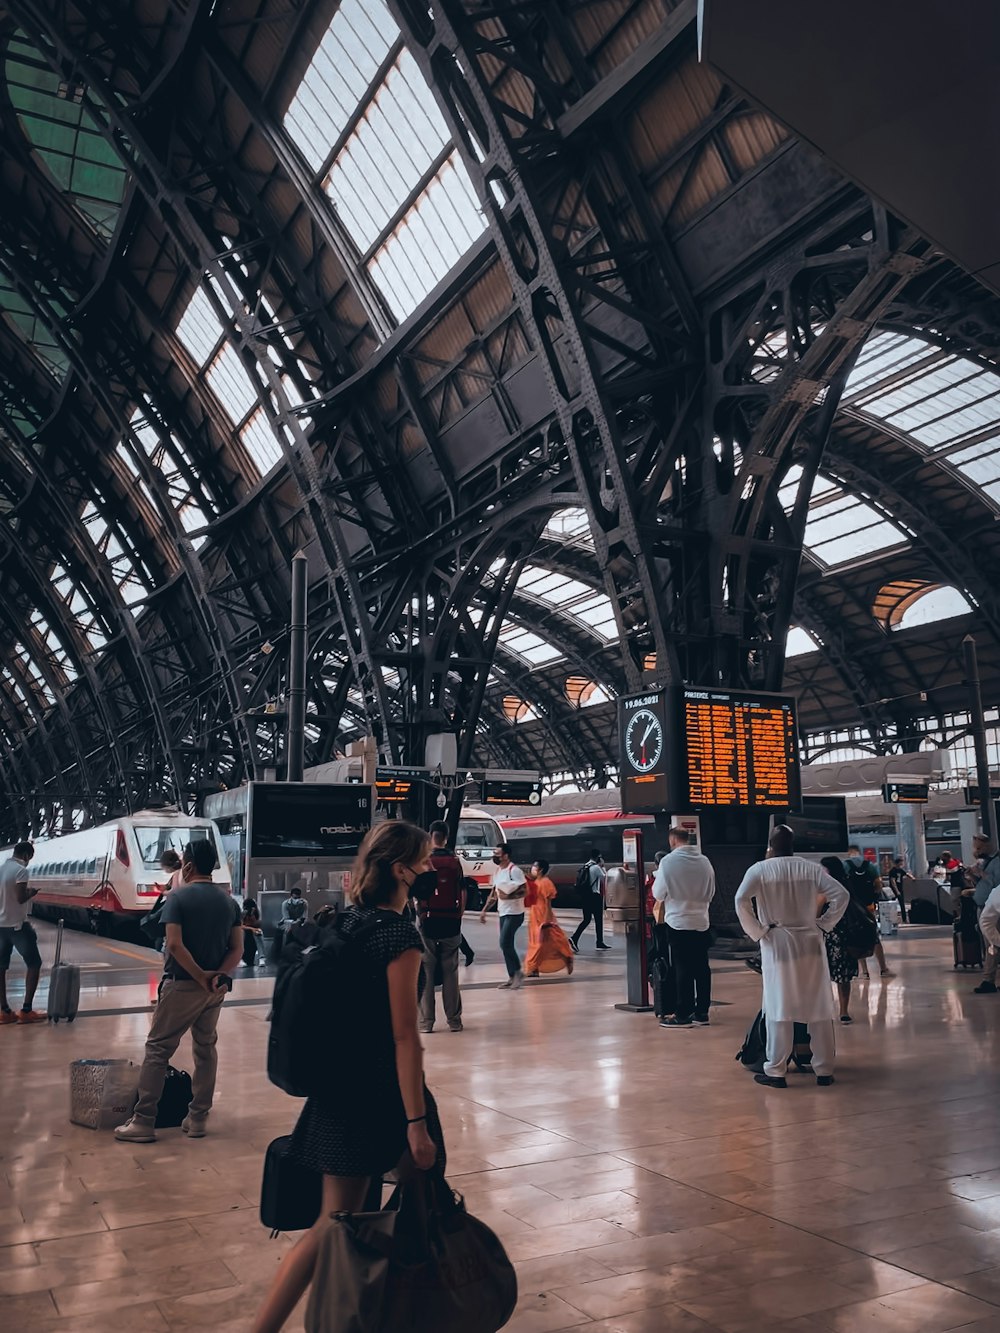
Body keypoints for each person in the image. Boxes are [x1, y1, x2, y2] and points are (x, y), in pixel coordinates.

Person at [252, 821, 441, 1333]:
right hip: (384, 1097)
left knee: (335, 1223)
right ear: (401, 870)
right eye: (424, 862)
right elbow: (405, 1035)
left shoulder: (349, 922)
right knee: (414, 1211)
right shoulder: (398, 935)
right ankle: (397, 1310)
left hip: (338, 1092)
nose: (430, 870)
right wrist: (417, 1123)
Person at [115, 840, 243, 1142]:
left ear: (187, 865)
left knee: (158, 1049)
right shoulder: (230, 902)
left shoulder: (177, 898)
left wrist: (199, 976)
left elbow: (173, 943)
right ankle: (197, 1118)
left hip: (183, 984)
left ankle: (144, 1121)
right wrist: (217, 977)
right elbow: (237, 949)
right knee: (205, 1049)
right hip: (214, 989)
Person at [735, 825, 849, 1088]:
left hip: (778, 942)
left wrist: (759, 931)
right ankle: (824, 1070)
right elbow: (841, 895)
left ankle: (776, 1070)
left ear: (771, 845)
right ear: (793, 843)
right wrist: (824, 923)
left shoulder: (760, 870)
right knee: (819, 1006)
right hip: (810, 940)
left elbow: (741, 900)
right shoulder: (811, 869)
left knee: (779, 1007)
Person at [652, 827, 716, 1028]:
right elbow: (712, 892)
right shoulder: (704, 861)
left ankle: (683, 1014)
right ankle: (702, 1012)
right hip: (701, 921)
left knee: (683, 968)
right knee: (702, 968)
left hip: (678, 922)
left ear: (672, 840)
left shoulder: (668, 862)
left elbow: (658, 893)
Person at [416, 820, 465, 1033]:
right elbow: (462, 892)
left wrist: (420, 915)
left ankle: (427, 1023)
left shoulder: (423, 861)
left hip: (428, 922)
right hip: (451, 922)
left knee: (426, 972)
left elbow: (415, 893)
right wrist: (458, 916)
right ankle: (454, 1021)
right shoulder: (455, 862)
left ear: (430, 835)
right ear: (445, 837)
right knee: (450, 973)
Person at [0, 841, 45, 1024]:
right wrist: (31, 892)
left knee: (1, 968)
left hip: (0, 926)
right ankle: (26, 1011)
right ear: (26, 855)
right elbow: (20, 898)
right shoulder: (21, 870)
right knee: (34, 963)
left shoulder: (2, 868)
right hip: (17, 926)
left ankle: (4, 1011)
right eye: (29, 858)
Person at [479, 843, 527, 988]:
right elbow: (494, 894)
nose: (495, 857)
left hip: (515, 913)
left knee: (504, 942)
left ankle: (518, 972)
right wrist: (485, 910)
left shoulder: (515, 870)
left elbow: (525, 891)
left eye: (498, 854)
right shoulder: (497, 872)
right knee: (506, 944)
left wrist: (509, 896)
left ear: (506, 855)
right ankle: (512, 976)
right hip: (503, 912)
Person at [844, 846, 892, 979]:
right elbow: (878, 885)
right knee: (874, 936)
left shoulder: (845, 865)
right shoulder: (870, 865)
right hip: (869, 906)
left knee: (856, 935)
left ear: (849, 852)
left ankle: (864, 972)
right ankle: (883, 968)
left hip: (853, 907)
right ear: (859, 852)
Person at [820, 857, 857, 1023]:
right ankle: (844, 1011)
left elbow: (816, 911)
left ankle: (825, 1010)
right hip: (846, 936)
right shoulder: (847, 884)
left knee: (822, 975)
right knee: (844, 977)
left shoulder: (824, 889)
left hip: (828, 936)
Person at [524, 859, 573, 978]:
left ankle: (566, 956)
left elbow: (548, 904)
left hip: (543, 915)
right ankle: (534, 968)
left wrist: (547, 920)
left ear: (540, 869)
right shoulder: (536, 882)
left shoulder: (546, 883)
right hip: (534, 915)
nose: (532, 868)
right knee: (535, 942)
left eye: (535, 867)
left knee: (546, 942)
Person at [972, 834, 1000, 994]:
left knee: (993, 943)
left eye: (979, 847)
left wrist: (982, 874)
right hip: (983, 906)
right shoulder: (985, 862)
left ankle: (988, 980)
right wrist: (973, 876)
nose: (977, 851)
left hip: (993, 908)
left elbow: (996, 883)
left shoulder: (997, 861)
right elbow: (984, 884)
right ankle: (988, 979)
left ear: (989, 845)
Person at [570, 850, 610, 953]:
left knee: (587, 919)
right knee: (598, 920)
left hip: (585, 896)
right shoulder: (596, 867)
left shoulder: (586, 866)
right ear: (598, 857)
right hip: (594, 896)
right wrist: (603, 866)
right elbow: (605, 878)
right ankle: (599, 942)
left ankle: (574, 938)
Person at [887, 856, 913, 922]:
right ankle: (901, 918)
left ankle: (904, 919)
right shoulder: (893, 871)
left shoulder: (900, 870)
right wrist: (897, 891)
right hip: (895, 888)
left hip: (900, 888)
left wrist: (912, 878)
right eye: (901, 862)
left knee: (901, 903)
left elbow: (906, 874)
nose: (902, 864)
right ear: (898, 863)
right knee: (899, 902)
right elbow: (893, 881)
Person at [241, 896, 262, 967]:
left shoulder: (255, 913)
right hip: (245, 930)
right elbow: (241, 925)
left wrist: (253, 915)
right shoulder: (243, 913)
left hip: (253, 930)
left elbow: (257, 923)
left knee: (258, 936)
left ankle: (261, 957)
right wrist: (251, 928)